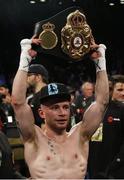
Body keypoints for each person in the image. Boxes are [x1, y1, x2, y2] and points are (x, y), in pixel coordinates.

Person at [11, 37, 109, 179]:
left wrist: (100, 61)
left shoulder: (80, 136)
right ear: (41, 113)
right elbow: (18, 103)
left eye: (65, 107)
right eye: (55, 108)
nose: (62, 113)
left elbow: (102, 102)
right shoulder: (34, 138)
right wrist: (25, 56)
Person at [88, 74, 124, 179]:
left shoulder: (121, 110)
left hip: (115, 170)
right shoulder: (88, 109)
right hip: (93, 167)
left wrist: (117, 162)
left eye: (110, 88)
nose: (106, 91)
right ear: (96, 88)